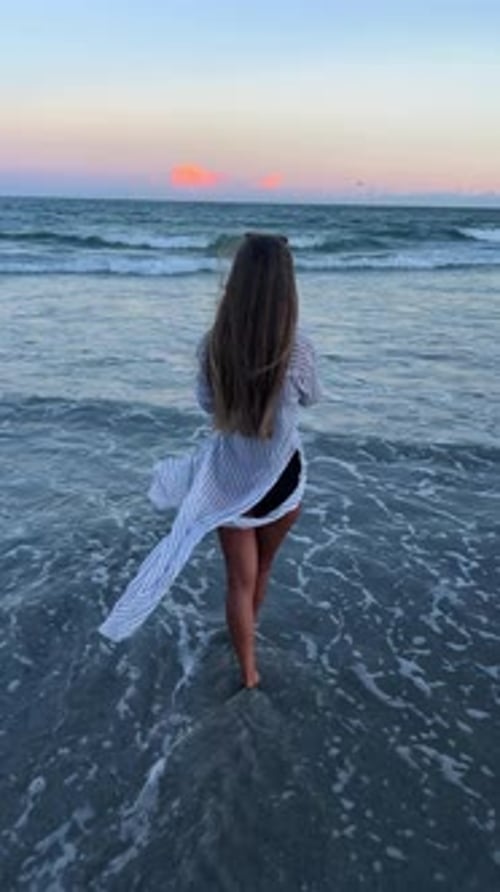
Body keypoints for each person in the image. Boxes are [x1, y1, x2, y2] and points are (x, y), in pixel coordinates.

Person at [99, 233, 320, 689]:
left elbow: (206, 403)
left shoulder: (214, 344)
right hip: (281, 477)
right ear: (286, 285)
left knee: (237, 581)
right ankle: (250, 634)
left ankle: (249, 672)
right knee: (264, 569)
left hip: (229, 483)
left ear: (236, 282)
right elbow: (312, 398)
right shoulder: (296, 347)